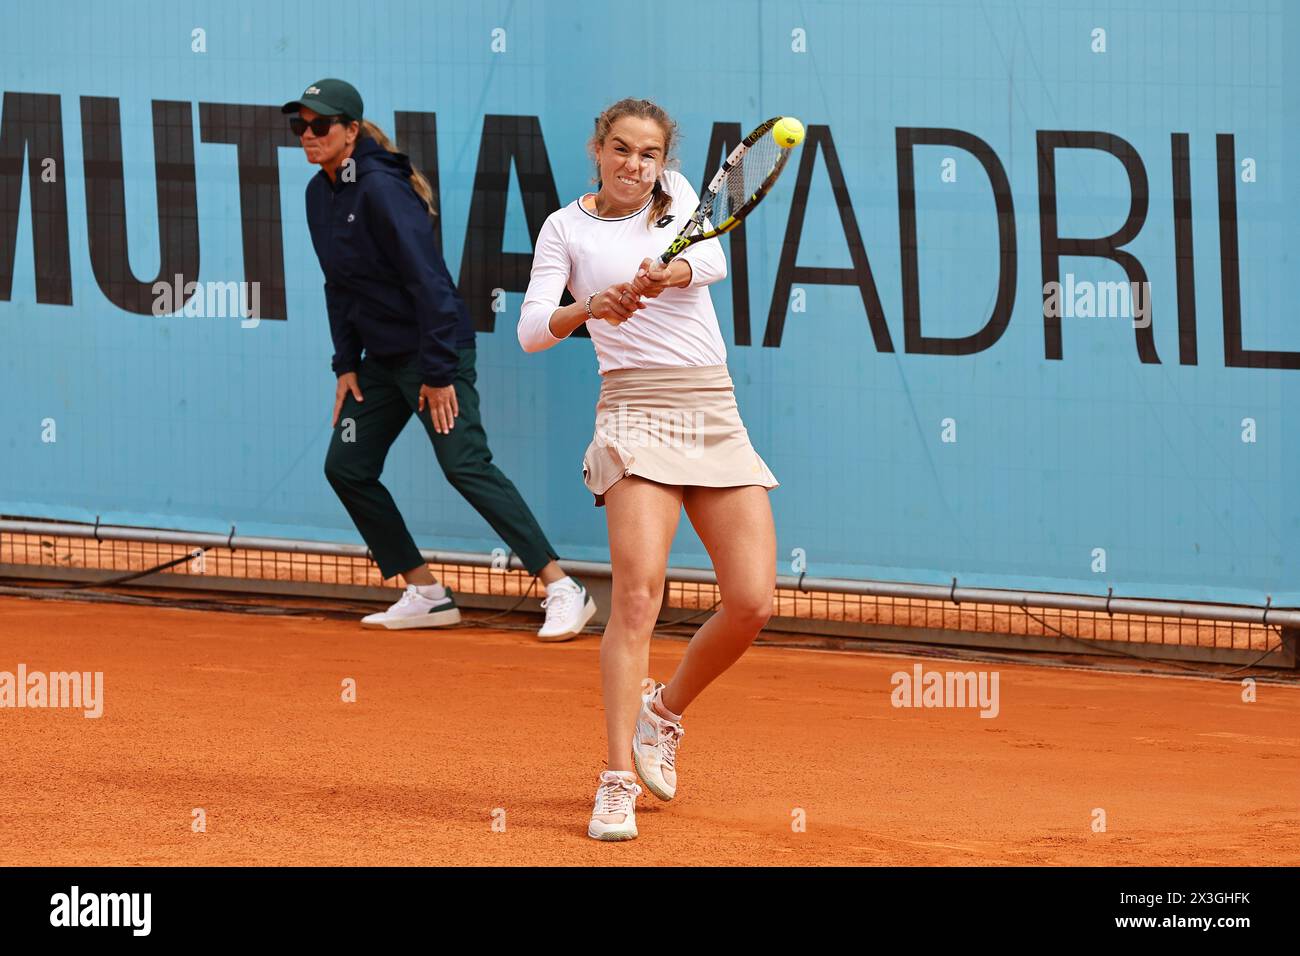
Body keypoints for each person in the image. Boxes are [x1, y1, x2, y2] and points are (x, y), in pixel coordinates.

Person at [519, 98, 779, 839]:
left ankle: (662, 712)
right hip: (632, 411)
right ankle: (613, 782)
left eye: (649, 154)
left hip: (710, 407)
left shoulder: (680, 198)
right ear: (597, 148)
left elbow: (714, 259)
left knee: (753, 600)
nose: (635, 165)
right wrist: (590, 307)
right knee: (637, 598)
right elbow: (534, 330)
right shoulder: (564, 229)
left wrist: (669, 273)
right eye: (622, 150)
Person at [284, 78, 595, 640]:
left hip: (432, 356)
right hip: (377, 364)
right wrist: (344, 364)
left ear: (351, 131)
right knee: (347, 466)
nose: (308, 135)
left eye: (320, 124)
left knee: (464, 464)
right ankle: (425, 592)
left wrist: (438, 372)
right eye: (299, 125)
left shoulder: (381, 188)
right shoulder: (318, 193)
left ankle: (561, 587)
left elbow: (429, 282)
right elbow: (339, 286)